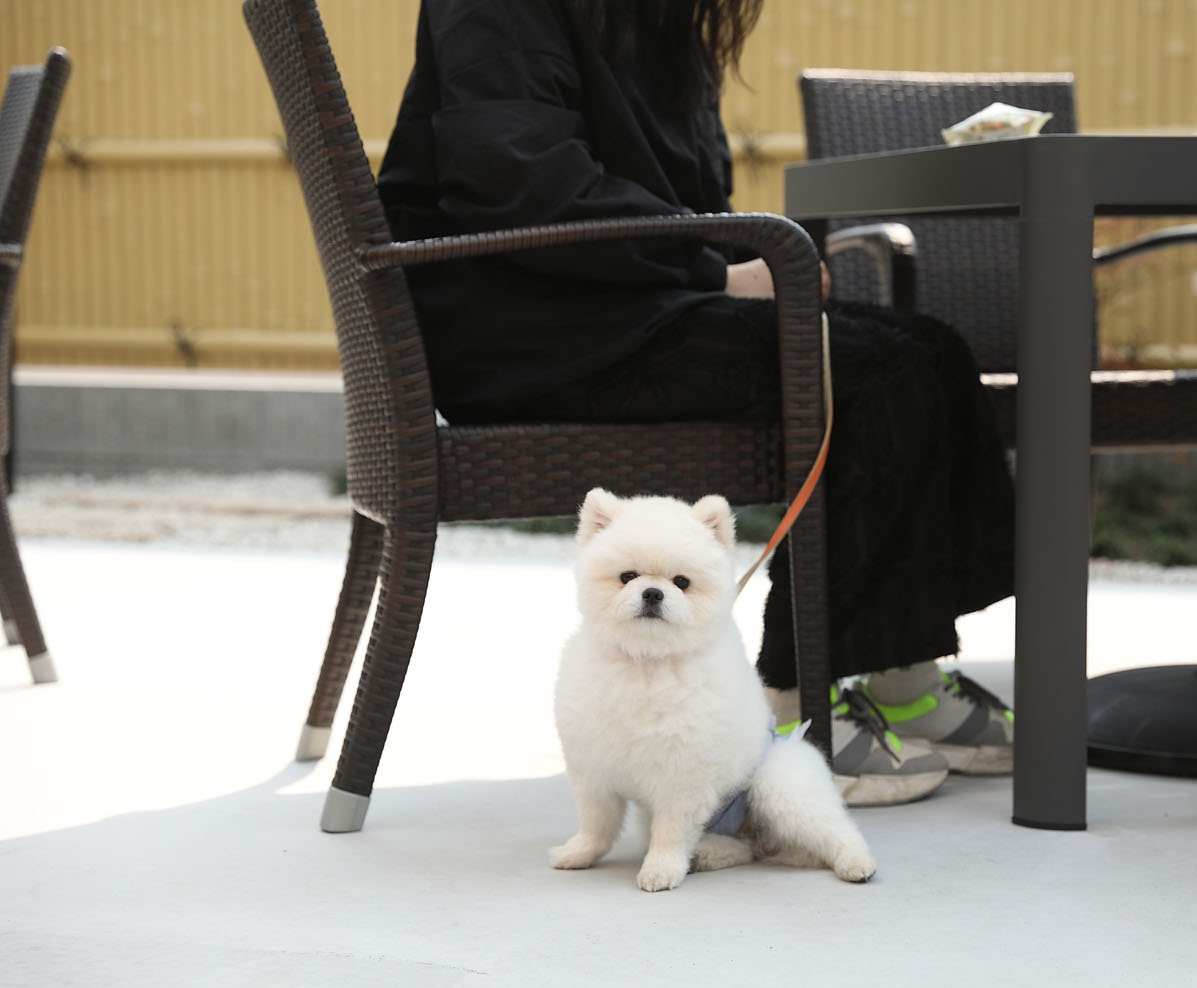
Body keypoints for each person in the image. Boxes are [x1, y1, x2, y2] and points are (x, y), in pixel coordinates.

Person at [377, 0, 1017, 806]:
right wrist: (717, 274)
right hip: (529, 330)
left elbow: (693, 196)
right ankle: (789, 705)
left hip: (629, 305)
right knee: (877, 372)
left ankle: (901, 672)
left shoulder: (660, 19)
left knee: (930, 350)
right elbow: (518, 180)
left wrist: (736, 268)